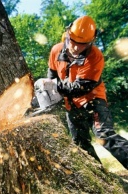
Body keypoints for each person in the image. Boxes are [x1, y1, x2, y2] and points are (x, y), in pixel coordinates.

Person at [47, 15, 128, 169]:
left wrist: (55, 86)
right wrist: (48, 92)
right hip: (70, 105)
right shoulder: (56, 51)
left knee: (104, 135)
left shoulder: (95, 56)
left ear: (91, 41)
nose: (77, 47)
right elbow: (51, 76)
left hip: (93, 100)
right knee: (80, 144)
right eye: (74, 42)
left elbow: (79, 89)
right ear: (68, 35)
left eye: (82, 44)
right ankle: (102, 180)